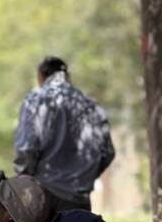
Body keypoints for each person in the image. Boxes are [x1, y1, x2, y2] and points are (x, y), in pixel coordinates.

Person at [14, 56, 116, 211]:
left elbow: (26, 149)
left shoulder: (35, 101)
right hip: (79, 199)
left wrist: (23, 182)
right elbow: (107, 152)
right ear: (67, 76)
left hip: (44, 196)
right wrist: (85, 178)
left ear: (41, 76)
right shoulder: (90, 105)